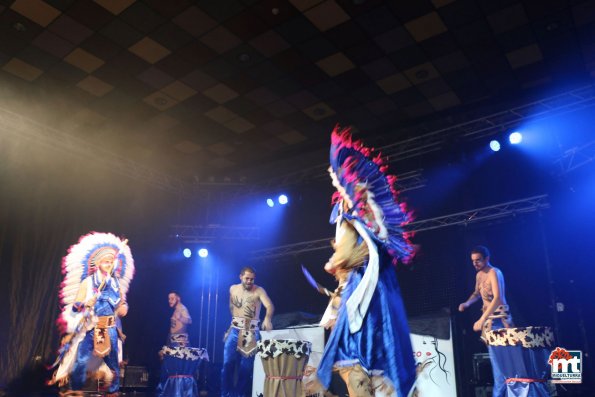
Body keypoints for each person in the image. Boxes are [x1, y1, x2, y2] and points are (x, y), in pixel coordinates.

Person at [317, 126, 417, 397]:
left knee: (359, 357)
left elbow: (348, 256)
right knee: (380, 356)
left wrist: (334, 263)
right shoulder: (366, 223)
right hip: (379, 290)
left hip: (366, 291)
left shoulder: (354, 220)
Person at [50, 232, 135, 397]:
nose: (109, 264)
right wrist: (84, 304)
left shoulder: (115, 283)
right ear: (98, 263)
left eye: (111, 262)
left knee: (113, 364)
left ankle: (113, 390)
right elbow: (75, 306)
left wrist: (124, 307)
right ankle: (76, 388)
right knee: (81, 358)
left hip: (109, 328)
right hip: (92, 328)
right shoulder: (88, 282)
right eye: (106, 261)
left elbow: (122, 304)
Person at [459, 245, 513, 397]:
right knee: (498, 364)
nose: (475, 264)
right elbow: (477, 293)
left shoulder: (494, 272)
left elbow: (498, 298)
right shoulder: (479, 275)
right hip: (489, 322)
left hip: (499, 321)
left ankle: (501, 393)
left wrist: (482, 319)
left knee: (501, 364)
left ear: (487, 258)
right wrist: (467, 303)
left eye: (478, 260)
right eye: (473, 261)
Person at [221, 266, 274, 397]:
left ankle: (239, 395)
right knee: (227, 364)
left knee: (245, 368)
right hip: (234, 330)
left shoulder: (259, 290)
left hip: (250, 332)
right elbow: (231, 307)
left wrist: (267, 319)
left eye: (252, 279)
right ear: (240, 277)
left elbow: (269, 305)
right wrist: (229, 328)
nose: (249, 281)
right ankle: (225, 394)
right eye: (247, 278)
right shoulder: (233, 288)